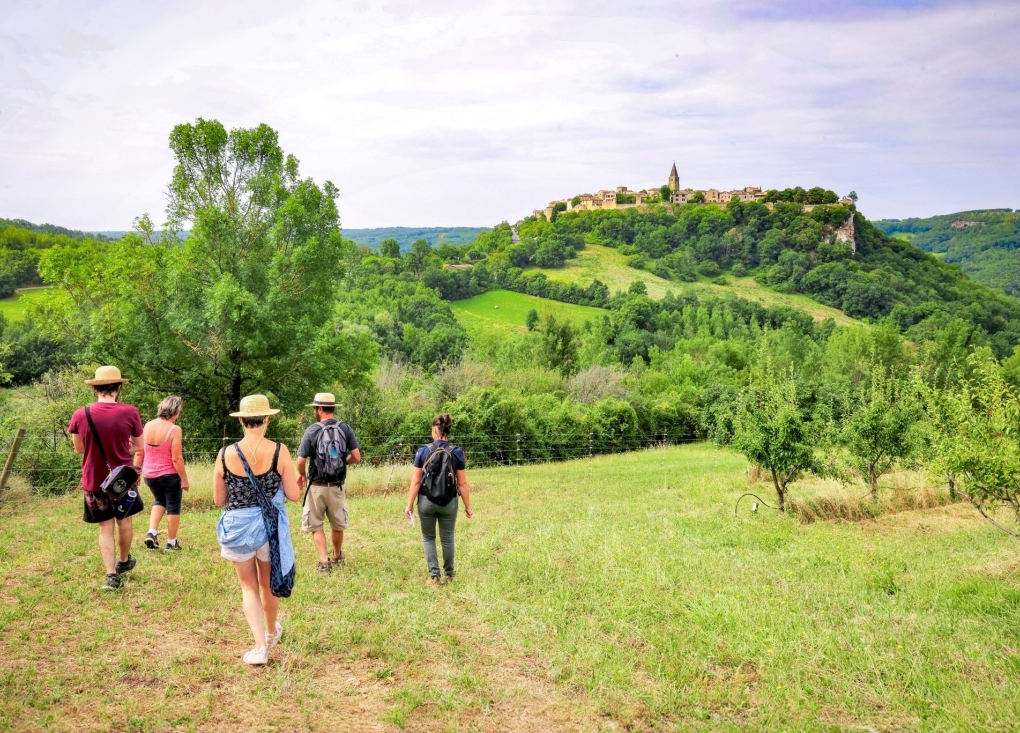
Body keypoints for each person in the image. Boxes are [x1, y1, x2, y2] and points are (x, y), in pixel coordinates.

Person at [213, 394, 300, 665]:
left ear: (240, 420)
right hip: (267, 528)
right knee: (266, 584)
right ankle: (271, 631)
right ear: (267, 420)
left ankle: (260, 647)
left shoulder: (225, 454)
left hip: (237, 527)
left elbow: (218, 500)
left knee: (248, 587)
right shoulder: (279, 451)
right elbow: (294, 496)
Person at [68, 366, 146, 591]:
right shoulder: (130, 412)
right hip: (123, 480)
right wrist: (122, 447)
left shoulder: (80, 414)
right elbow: (140, 445)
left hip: (94, 479)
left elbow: (78, 449)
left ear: (95, 389)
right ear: (119, 387)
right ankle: (123, 562)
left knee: (105, 526)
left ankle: (111, 575)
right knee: (125, 521)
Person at [296, 393, 361, 574]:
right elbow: (356, 456)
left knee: (316, 524)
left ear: (319, 409)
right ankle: (338, 555)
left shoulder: (312, 430)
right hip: (337, 485)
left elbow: (300, 461)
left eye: (315, 408)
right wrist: (342, 463)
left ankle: (324, 562)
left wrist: (301, 475)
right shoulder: (345, 428)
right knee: (337, 524)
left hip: (316, 485)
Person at [404, 414, 473, 585]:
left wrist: (409, 504)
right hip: (449, 502)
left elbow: (416, 481)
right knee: (448, 538)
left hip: (426, 501)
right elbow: (462, 483)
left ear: (435, 429)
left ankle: (434, 576)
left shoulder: (423, 450)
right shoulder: (456, 452)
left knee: (428, 537)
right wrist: (467, 506)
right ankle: (449, 574)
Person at [136, 396, 190, 551]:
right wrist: (184, 480)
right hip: (169, 476)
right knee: (173, 506)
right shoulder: (174, 429)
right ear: (176, 411)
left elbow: (140, 453)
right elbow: (176, 458)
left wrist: (136, 472)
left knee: (159, 501)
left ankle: (151, 533)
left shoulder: (147, 426)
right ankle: (171, 543)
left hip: (150, 475)